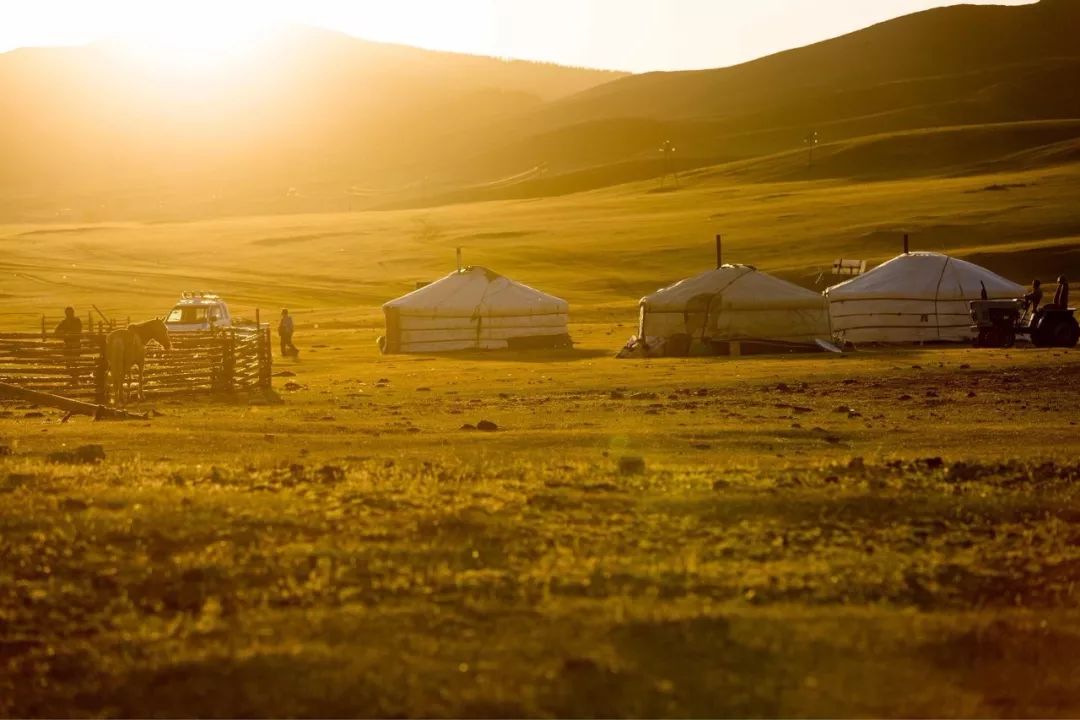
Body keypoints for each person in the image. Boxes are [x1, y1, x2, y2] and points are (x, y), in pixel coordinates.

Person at [53, 306, 83, 386]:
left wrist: (66, 332)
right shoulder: (63, 322)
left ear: (73, 313)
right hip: (67, 345)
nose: (69, 314)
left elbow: (77, 330)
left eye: (70, 312)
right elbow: (56, 331)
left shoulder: (77, 320)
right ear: (65, 313)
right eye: (67, 313)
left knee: (75, 362)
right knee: (68, 362)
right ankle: (72, 379)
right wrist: (64, 333)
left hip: (75, 344)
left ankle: (75, 379)